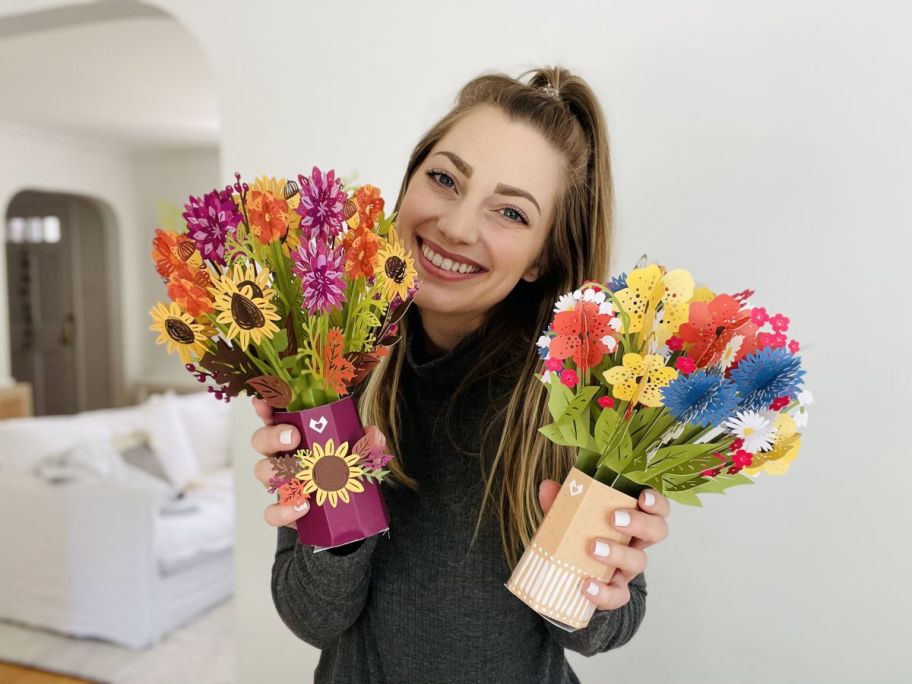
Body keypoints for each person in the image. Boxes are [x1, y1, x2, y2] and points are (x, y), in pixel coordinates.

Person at [250, 66, 671, 683]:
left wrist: (604, 573)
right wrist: (329, 516)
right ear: (410, 182)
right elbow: (312, 617)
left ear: (542, 259)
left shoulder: (580, 394)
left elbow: (604, 629)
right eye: (445, 179)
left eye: (510, 212)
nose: (455, 226)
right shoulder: (325, 364)